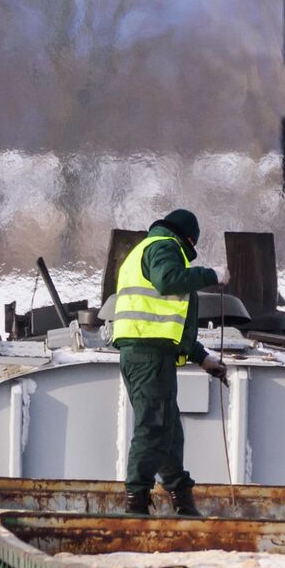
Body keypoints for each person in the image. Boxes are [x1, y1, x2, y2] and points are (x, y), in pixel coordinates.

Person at [108, 209, 228, 516]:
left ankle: (182, 498)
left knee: (168, 430)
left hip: (149, 352)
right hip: (148, 355)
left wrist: (203, 358)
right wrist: (210, 274)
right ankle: (136, 502)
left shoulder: (146, 250)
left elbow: (167, 325)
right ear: (187, 238)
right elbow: (168, 280)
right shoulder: (163, 246)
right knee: (153, 428)